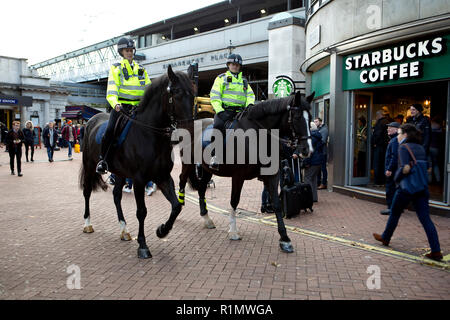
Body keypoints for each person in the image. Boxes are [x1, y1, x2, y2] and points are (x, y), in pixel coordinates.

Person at [373, 123, 443, 261]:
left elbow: (405, 168)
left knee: (394, 212)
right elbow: (427, 167)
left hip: (406, 188)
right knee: (425, 219)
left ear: (405, 135)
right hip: (422, 188)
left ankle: (386, 237)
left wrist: (396, 179)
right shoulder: (421, 148)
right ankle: (436, 250)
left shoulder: (403, 147)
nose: (398, 136)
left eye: (399, 134)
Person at [96, 37, 151, 174]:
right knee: (109, 131)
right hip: (121, 108)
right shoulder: (116, 68)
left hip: (138, 108)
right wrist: (116, 104)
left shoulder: (142, 69)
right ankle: (103, 161)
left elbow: (149, 90)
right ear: (121, 52)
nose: (130, 52)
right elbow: (112, 91)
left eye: (131, 50)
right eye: (127, 50)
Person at [209, 53, 255, 170]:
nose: (235, 66)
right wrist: (219, 111)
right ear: (228, 65)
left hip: (240, 113)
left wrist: (249, 105)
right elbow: (215, 96)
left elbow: (250, 95)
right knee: (218, 127)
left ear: (240, 67)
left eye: (237, 65)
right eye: (233, 64)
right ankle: (216, 156)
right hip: (224, 111)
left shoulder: (244, 81)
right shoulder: (221, 78)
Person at [300, 122, 324, 202]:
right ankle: (314, 198)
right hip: (318, 161)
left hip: (313, 161)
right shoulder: (318, 136)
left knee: (307, 178)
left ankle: (308, 198)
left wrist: (306, 162)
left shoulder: (311, 138)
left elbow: (309, 152)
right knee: (313, 179)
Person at [380, 122, 400, 215]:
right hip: (394, 169)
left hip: (392, 170)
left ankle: (391, 208)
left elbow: (394, 156)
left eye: (390, 128)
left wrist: (389, 169)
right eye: (388, 128)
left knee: (390, 188)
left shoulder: (395, 140)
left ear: (396, 130)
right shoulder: (394, 139)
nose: (388, 129)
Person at [372, 110, 390, 186]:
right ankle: (383, 181)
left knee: (377, 164)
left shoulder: (380, 123)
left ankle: (377, 182)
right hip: (385, 146)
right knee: (383, 163)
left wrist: (374, 142)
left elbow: (377, 134)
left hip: (379, 146)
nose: (376, 117)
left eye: (376, 116)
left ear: (379, 115)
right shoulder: (387, 122)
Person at [314, 117, 328, 190]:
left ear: (320, 122)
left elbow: (323, 141)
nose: (315, 123)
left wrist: (315, 145)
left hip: (323, 152)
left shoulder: (324, 129)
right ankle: (318, 182)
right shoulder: (318, 129)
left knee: (323, 168)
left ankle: (324, 183)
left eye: (316, 122)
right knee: (318, 168)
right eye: (314, 122)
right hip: (318, 152)